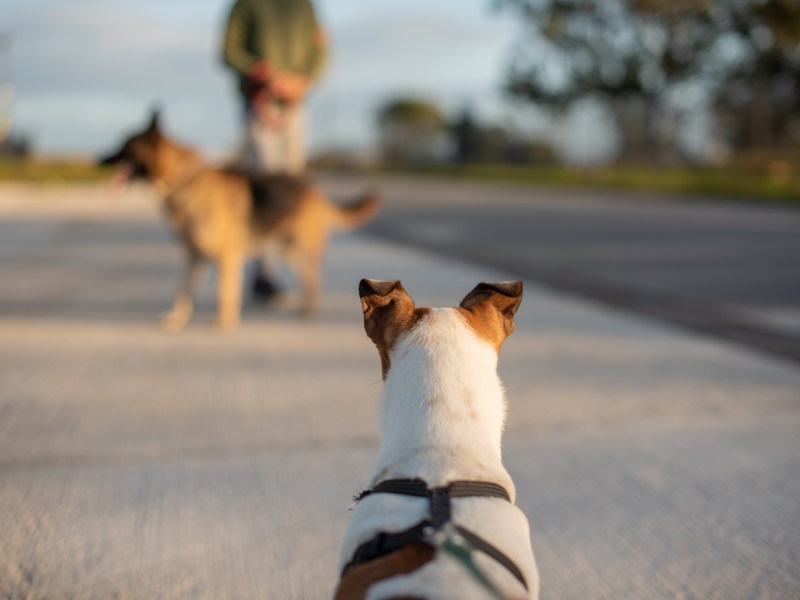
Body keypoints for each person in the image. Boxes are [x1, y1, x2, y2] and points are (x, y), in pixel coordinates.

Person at [221, 0, 328, 298]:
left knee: (293, 189)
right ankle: (263, 275)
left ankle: (298, 270)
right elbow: (229, 52)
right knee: (263, 189)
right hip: (258, 105)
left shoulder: (305, 6)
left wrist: (302, 81)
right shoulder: (245, 5)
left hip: (295, 107)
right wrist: (261, 72)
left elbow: (319, 49)